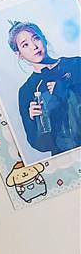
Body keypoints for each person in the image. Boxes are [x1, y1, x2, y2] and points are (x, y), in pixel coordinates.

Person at [9, 20, 81, 157]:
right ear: (19, 54)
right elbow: (40, 145)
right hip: (66, 156)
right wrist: (33, 120)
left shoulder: (75, 63)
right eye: (25, 45)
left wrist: (66, 89)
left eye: (36, 38)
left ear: (44, 39)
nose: (34, 47)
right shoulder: (26, 91)